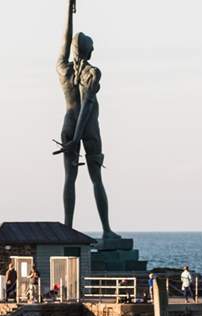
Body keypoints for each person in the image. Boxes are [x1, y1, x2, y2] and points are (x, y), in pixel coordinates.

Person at [56, 0, 120, 241]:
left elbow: (65, 38)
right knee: (96, 179)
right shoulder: (91, 73)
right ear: (88, 50)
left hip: (68, 123)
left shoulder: (63, 68)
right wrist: (79, 137)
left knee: (69, 178)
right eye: (92, 46)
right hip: (88, 127)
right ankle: (106, 229)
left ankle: (68, 227)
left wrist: (68, 9)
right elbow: (86, 105)